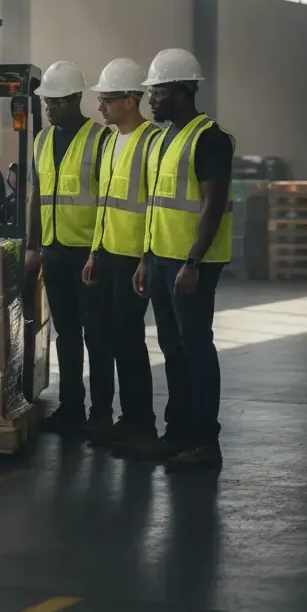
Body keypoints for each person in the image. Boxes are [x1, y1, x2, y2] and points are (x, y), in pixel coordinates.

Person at [132, 48, 234, 472]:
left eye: (155, 92)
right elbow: (157, 204)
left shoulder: (209, 137)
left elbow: (212, 205)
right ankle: (178, 435)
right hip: (160, 260)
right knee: (172, 348)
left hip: (191, 264)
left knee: (196, 348)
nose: (150, 100)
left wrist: (193, 262)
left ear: (179, 92)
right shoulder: (164, 138)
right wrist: (145, 258)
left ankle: (205, 442)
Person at [81, 58, 161, 452]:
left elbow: (153, 207)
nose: (100, 108)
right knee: (103, 337)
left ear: (131, 101)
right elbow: (105, 203)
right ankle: (114, 418)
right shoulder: (110, 141)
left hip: (134, 261)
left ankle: (141, 424)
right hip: (107, 255)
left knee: (129, 342)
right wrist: (95, 251)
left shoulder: (152, 141)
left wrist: (146, 258)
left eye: (107, 100)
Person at [25, 60, 108, 437]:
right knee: (67, 335)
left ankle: (101, 414)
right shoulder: (42, 140)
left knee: (97, 335)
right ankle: (72, 407)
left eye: (56, 102)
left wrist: (99, 251)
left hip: (89, 255)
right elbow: (36, 197)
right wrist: (33, 246)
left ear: (76, 99)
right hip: (54, 252)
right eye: (46, 102)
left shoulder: (100, 139)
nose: (49, 108)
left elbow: (108, 201)